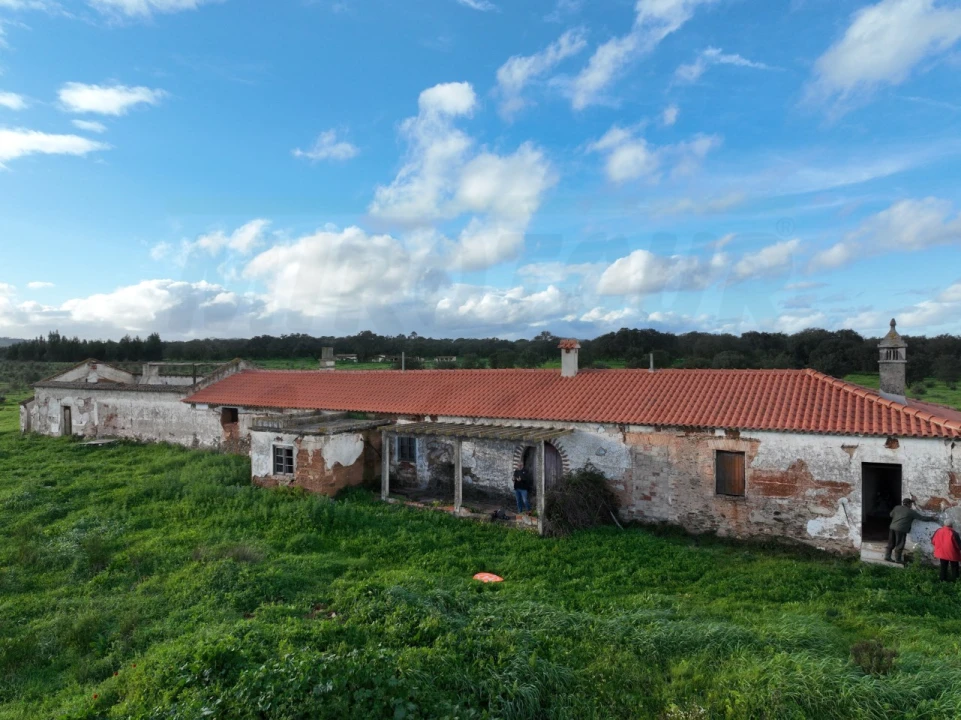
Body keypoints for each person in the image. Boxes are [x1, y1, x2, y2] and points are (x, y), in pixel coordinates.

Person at [885, 498, 937, 564]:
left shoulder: (897, 507)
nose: (911, 505)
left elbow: (891, 515)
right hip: (901, 529)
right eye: (911, 504)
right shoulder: (911, 512)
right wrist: (932, 518)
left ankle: (887, 556)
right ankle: (898, 559)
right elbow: (922, 518)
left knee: (891, 543)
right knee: (900, 544)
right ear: (908, 504)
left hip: (892, 527)